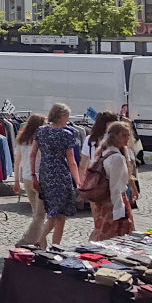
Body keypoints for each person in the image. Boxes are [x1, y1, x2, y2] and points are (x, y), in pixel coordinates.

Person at [31, 103, 81, 246]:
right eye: (67, 116)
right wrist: (78, 181)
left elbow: (33, 154)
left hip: (45, 174)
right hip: (61, 176)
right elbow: (71, 161)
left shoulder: (40, 131)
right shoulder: (67, 134)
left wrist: (34, 175)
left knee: (53, 214)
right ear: (62, 116)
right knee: (60, 217)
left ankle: (41, 240)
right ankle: (54, 247)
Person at [89, 121, 137, 240]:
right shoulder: (117, 158)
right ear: (115, 137)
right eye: (124, 135)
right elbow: (114, 186)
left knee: (101, 230)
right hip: (114, 201)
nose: (127, 138)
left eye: (128, 135)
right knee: (113, 236)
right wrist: (119, 209)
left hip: (107, 200)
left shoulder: (104, 151)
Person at [12, 114, 47, 245]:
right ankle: (25, 241)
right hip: (39, 178)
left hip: (26, 178)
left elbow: (17, 162)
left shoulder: (22, 140)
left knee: (36, 214)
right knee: (40, 215)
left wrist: (16, 181)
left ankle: (41, 244)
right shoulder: (41, 140)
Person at [78, 111, 119, 179]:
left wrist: (80, 184)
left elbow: (83, 164)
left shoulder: (89, 139)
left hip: (94, 179)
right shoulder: (114, 139)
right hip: (111, 178)